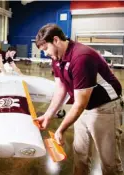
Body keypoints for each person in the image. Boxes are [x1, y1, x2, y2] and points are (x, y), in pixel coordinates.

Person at [35, 24, 123, 175]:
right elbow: (61, 89)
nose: (45, 54)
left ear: (55, 40)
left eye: (45, 49)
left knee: (109, 163)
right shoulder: (57, 58)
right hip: (84, 107)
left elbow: (80, 103)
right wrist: (48, 115)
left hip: (105, 108)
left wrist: (61, 129)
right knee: (80, 155)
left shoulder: (81, 57)